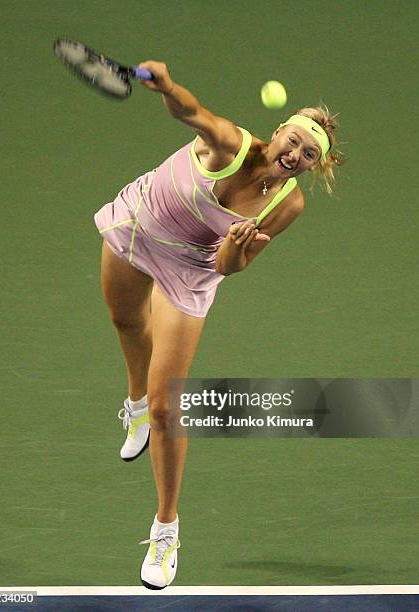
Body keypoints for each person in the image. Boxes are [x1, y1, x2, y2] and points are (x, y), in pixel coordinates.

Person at [94, 61, 342, 590]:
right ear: (277, 134)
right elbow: (193, 113)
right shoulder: (229, 145)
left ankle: (166, 529)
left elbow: (229, 268)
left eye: (308, 155)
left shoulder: (288, 203)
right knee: (124, 319)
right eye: (293, 142)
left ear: (313, 165)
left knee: (170, 407)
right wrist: (167, 88)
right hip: (141, 223)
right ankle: (133, 402)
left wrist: (231, 253)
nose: (295, 156)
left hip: (192, 268)